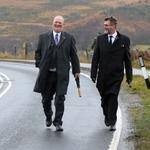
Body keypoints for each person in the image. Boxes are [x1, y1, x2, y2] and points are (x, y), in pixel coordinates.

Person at [33, 16, 80, 132]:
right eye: (56, 23)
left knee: (60, 98)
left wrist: (76, 70)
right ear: (52, 24)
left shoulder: (69, 38)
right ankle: (48, 116)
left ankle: (58, 122)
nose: (58, 24)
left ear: (63, 25)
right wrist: (40, 64)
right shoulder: (43, 37)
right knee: (45, 100)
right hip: (47, 75)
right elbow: (38, 53)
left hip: (61, 75)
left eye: (60, 23)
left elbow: (74, 56)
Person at [90, 16, 132, 131]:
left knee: (113, 96)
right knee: (104, 99)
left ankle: (112, 120)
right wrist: (93, 74)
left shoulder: (124, 40)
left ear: (113, 26)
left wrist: (129, 76)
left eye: (106, 25)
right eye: (104, 25)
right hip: (102, 76)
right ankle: (107, 115)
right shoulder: (100, 39)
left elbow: (127, 59)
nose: (105, 27)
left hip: (116, 76)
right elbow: (95, 58)